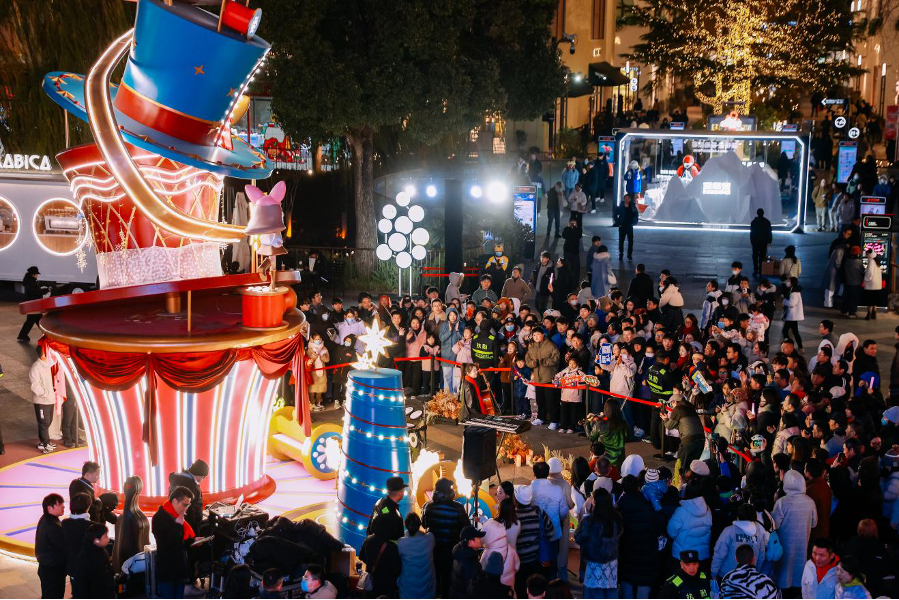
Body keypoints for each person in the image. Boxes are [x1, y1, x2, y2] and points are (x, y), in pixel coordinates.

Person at [773, 470, 818, 595]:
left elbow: (774, 524)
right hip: (803, 543)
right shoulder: (810, 502)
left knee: (784, 571)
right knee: (799, 571)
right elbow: (814, 523)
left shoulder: (782, 502)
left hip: (784, 544)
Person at [575, 488, 622, 600]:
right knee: (610, 592)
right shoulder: (617, 519)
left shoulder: (589, 521)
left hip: (594, 563)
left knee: (594, 593)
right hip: (611, 563)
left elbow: (578, 538)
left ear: (595, 502)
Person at [152, 486, 197, 599]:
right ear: (175, 501)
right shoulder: (159, 518)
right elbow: (166, 544)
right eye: (184, 505)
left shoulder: (177, 516)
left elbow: (180, 541)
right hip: (167, 570)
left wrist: (193, 540)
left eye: (188, 505)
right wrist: (177, 525)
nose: (186, 509)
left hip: (179, 568)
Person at [530, 461, 568, 578]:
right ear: (548, 473)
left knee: (535, 566)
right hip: (553, 533)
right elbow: (564, 512)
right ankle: (551, 585)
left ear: (534, 473)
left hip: (534, 534)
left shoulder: (528, 490)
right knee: (552, 562)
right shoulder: (557, 490)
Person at [711, 503, 768, 580]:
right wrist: (755, 573)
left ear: (738, 516)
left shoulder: (729, 531)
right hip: (749, 577)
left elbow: (719, 554)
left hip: (728, 576)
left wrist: (714, 574)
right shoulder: (759, 534)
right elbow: (761, 557)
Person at [360, 510, 403, 599]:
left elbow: (361, 556)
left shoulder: (367, 540)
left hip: (370, 584)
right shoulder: (391, 546)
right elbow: (396, 569)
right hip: (386, 587)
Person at [667, 483, 713, 566]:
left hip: (683, 554)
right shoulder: (707, 509)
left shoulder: (680, 511)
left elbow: (671, 532)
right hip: (702, 554)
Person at [525, 327, 560, 428]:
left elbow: (556, 359)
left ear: (543, 335)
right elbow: (527, 359)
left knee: (551, 400)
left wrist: (544, 362)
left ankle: (554, 420)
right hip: (537, 378)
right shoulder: (532, 347)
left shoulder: (551, 345)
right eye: (534, 335)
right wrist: (532, 363)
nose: (536, 337)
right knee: (540, 400)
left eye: (538, 334)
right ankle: (541, 418)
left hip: (548, 377)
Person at [35, 493, 67, 600]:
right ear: (50, 508)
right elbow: (65, 546)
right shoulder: (52, 526)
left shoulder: (46, 519)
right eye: (60, 504)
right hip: (53, 571)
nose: (63, 506)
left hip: (47, 568)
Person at [397, 512, 436, 599]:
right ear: (419, 524)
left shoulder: (401, 543)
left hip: (407, 590)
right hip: (427, 589)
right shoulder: (430, 538)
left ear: (406, 525)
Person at [72, 523, 114, 599]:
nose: (108, 538)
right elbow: (80, 586)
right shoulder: (87, 557)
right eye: (105, 536)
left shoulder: (99, 550)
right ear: (96, 540)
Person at [62, 492, 96, 587]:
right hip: (88, 568)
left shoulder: (65, 523)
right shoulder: (92, 526)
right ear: (88, 507)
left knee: (76, 591)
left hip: (72, 567)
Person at [167, 459, 207, 534]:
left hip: (173, 519)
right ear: (201, 474)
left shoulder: (176, 478)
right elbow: (196, 512)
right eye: (203, 477)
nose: (202, 479)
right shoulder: (194, 487)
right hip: (188, 525)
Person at [30, 345, 56, 453]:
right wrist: (45, 393)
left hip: (50, 400)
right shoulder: (36, 367)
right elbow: (35, 385)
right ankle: (46, 444)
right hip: (41, 401)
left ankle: (43, 442)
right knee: (44, 423)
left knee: (48, 422)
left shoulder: (47, 365)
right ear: (43, 354)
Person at [450, 525, 486, 599]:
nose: (481, 539)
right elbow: (472, 591)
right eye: (478, 537)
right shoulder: (470, 562)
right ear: (470, 542)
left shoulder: (460, 552)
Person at [366, 476, 406, 541]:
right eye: (403, 490)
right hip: (383, 546)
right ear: (399, 492)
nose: (404, 492)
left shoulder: (380, 501)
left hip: (371, 543)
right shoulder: (392, 513)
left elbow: (370, 526)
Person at [18, 265, 48, 342]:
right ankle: (22, 335)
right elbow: (37, 292)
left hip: (32, 304)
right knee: (33, 321)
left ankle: (23, 335)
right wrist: (46, 290)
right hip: (34, 305)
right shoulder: (31, 282)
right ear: (33, 274)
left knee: (37, 320)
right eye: (37, 274)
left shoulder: (29, 281)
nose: (37, 275)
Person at [840, 246, 864, 318]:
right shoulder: (859, 262)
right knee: (853, 298)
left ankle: (844, 311)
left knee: (846, 297)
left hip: (847, 282)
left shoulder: (847, 260)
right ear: (857, 253)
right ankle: (852, 313)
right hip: (856, 283)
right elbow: (862, 271)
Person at [781, 277, 805, 350]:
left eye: (789, 281)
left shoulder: (794, 293)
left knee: (785, 331)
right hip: (792, 316)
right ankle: (800, 347)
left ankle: (788, 345)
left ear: (792, 282)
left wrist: (784, 300)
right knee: (795, 332)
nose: (787, 282)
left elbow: (792, 303)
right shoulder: (794, 290)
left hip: (792, 316)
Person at [614, 193, 639, 260]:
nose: (627, 200)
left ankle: (629, 255)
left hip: (629, 226)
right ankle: (621, 254)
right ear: (624, 199)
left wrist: (634, 222)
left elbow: (636, 214)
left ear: (630, 199)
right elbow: (615, 215)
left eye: (628, 198)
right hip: (622, 226)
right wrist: (618, 222)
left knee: (630, 241)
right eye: (625, 198)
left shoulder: (632, 206)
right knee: (621, 241)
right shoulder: (620, 206)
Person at [750, 210, 773, 276]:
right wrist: (769, 241)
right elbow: (769, 232)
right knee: (762, 256)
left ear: (757, 213)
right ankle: (761, 269)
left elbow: (752, 232)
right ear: (763, 213)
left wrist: (752, 241)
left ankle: (756, 269)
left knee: (755, 256)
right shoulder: (767, 222)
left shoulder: (754, 222)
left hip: (755, 242)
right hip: (763, 242)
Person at [862, 249, 882, 320]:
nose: (866, 256)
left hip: (871, 285)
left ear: (870, 254)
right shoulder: (877, 261)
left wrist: (866, 279)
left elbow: (869, 273)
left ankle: (868, 315)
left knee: (870, 301)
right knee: (875, 301)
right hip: (877, 285)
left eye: (867, 254)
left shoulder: (871, 261)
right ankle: (874, 314)